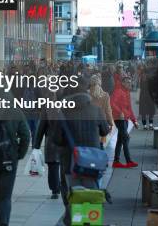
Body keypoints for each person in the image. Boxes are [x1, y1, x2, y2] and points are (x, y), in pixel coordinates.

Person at [58, 90, 109, 226]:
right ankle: (90, 222)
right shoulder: (96, 110)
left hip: (71, 161)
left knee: (75, 195)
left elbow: (57, 138)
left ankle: (76, 221)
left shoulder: (64, 112)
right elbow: (104, 130)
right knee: (91, 194)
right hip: (92, 161)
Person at [34, 101, 62, 199]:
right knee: (65, 166)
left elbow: (41, 127)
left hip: (52, 142)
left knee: (53, 166)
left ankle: (55, 190)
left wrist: (36, 144)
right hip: (66, 141)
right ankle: (63, 187)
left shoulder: (48, 107)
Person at [111, 76, 138, 168]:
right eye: (127, 82)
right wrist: (120, 112)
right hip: (119, 118)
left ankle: (116, 161)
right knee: (125, 138)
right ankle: (128, 161)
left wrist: (134, 121)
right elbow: (112, 103)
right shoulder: (118, 91)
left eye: (130, 82)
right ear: (123, 83)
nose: (129, 84)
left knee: (120, 139)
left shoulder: (127, 92)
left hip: (125, 118)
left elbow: (129, 108)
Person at [88, 74, 114, 145]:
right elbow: (108, 111)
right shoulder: (105, 95)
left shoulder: (87, 94)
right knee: (101, 144)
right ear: (100, 82)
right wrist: (111, 123)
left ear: (90, 83)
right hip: (101, 123)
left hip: (89, 124)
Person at [137, 64, 155, 130]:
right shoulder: (149, 77)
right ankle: (148, 125)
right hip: (147, 96)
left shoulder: (142, 77)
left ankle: (147, 125)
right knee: (148, 111)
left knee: (146, 111)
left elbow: (139, 87)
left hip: (145, 96)